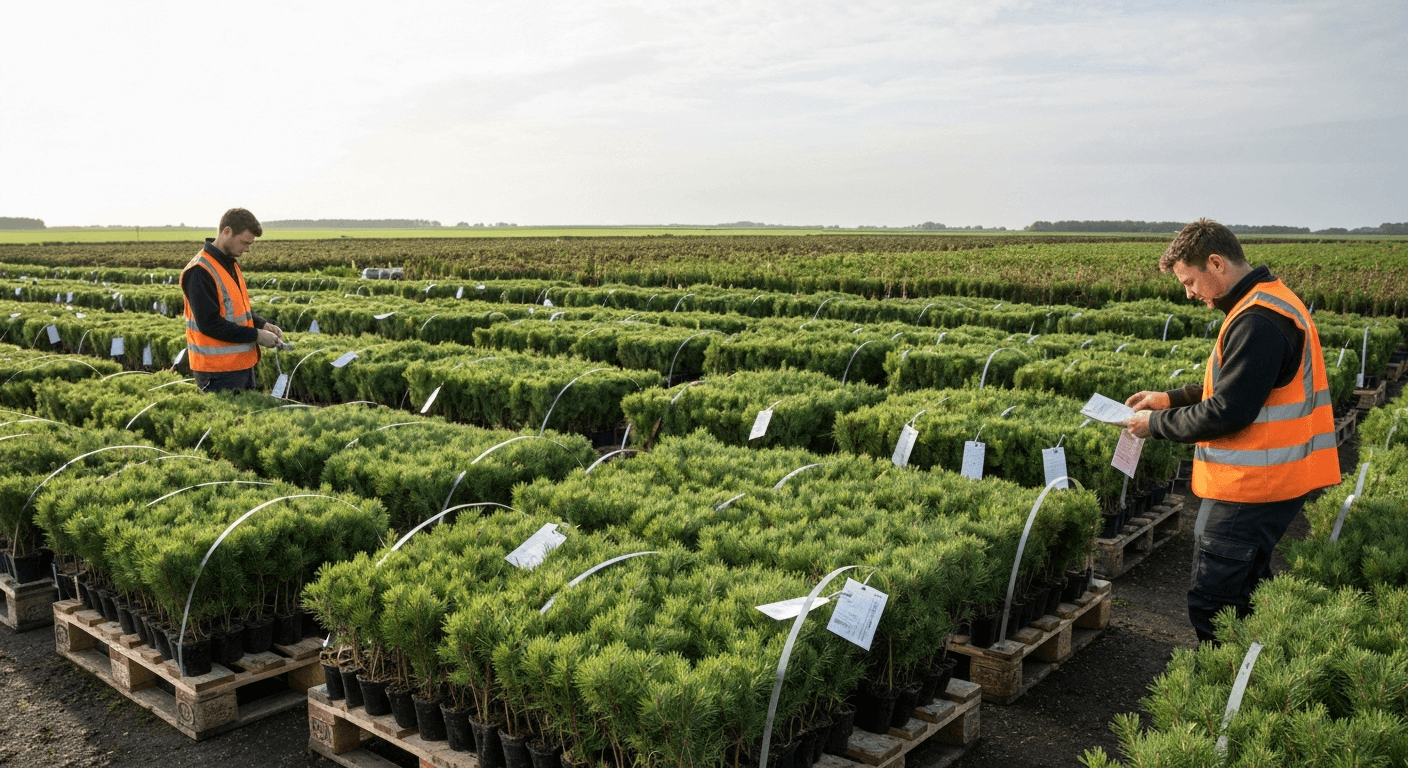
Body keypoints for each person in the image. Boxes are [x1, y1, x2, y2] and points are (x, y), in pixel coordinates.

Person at [1120, 218, 1340, 644]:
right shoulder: (1266, 302)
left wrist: (1154, 425)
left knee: (1215, 602)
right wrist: (1169, 399)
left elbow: (1228, 411)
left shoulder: (1259, 320)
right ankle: (1257, 683)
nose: (1188, 293)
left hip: (1252, 487)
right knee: (1247, 589)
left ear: (1216, 263)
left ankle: (1224, 695)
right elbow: (1236, 386)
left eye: (1189, 281)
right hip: (1269, 482)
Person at [181, 208, 283, 392]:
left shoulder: (229, 263)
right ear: (226, 232)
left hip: (239, 365)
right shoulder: (200, 271)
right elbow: (209, 324)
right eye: (244, 242)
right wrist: (256, 336)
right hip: (217, 373)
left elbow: (233, 309)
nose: (248, 249)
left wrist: (261, 324)